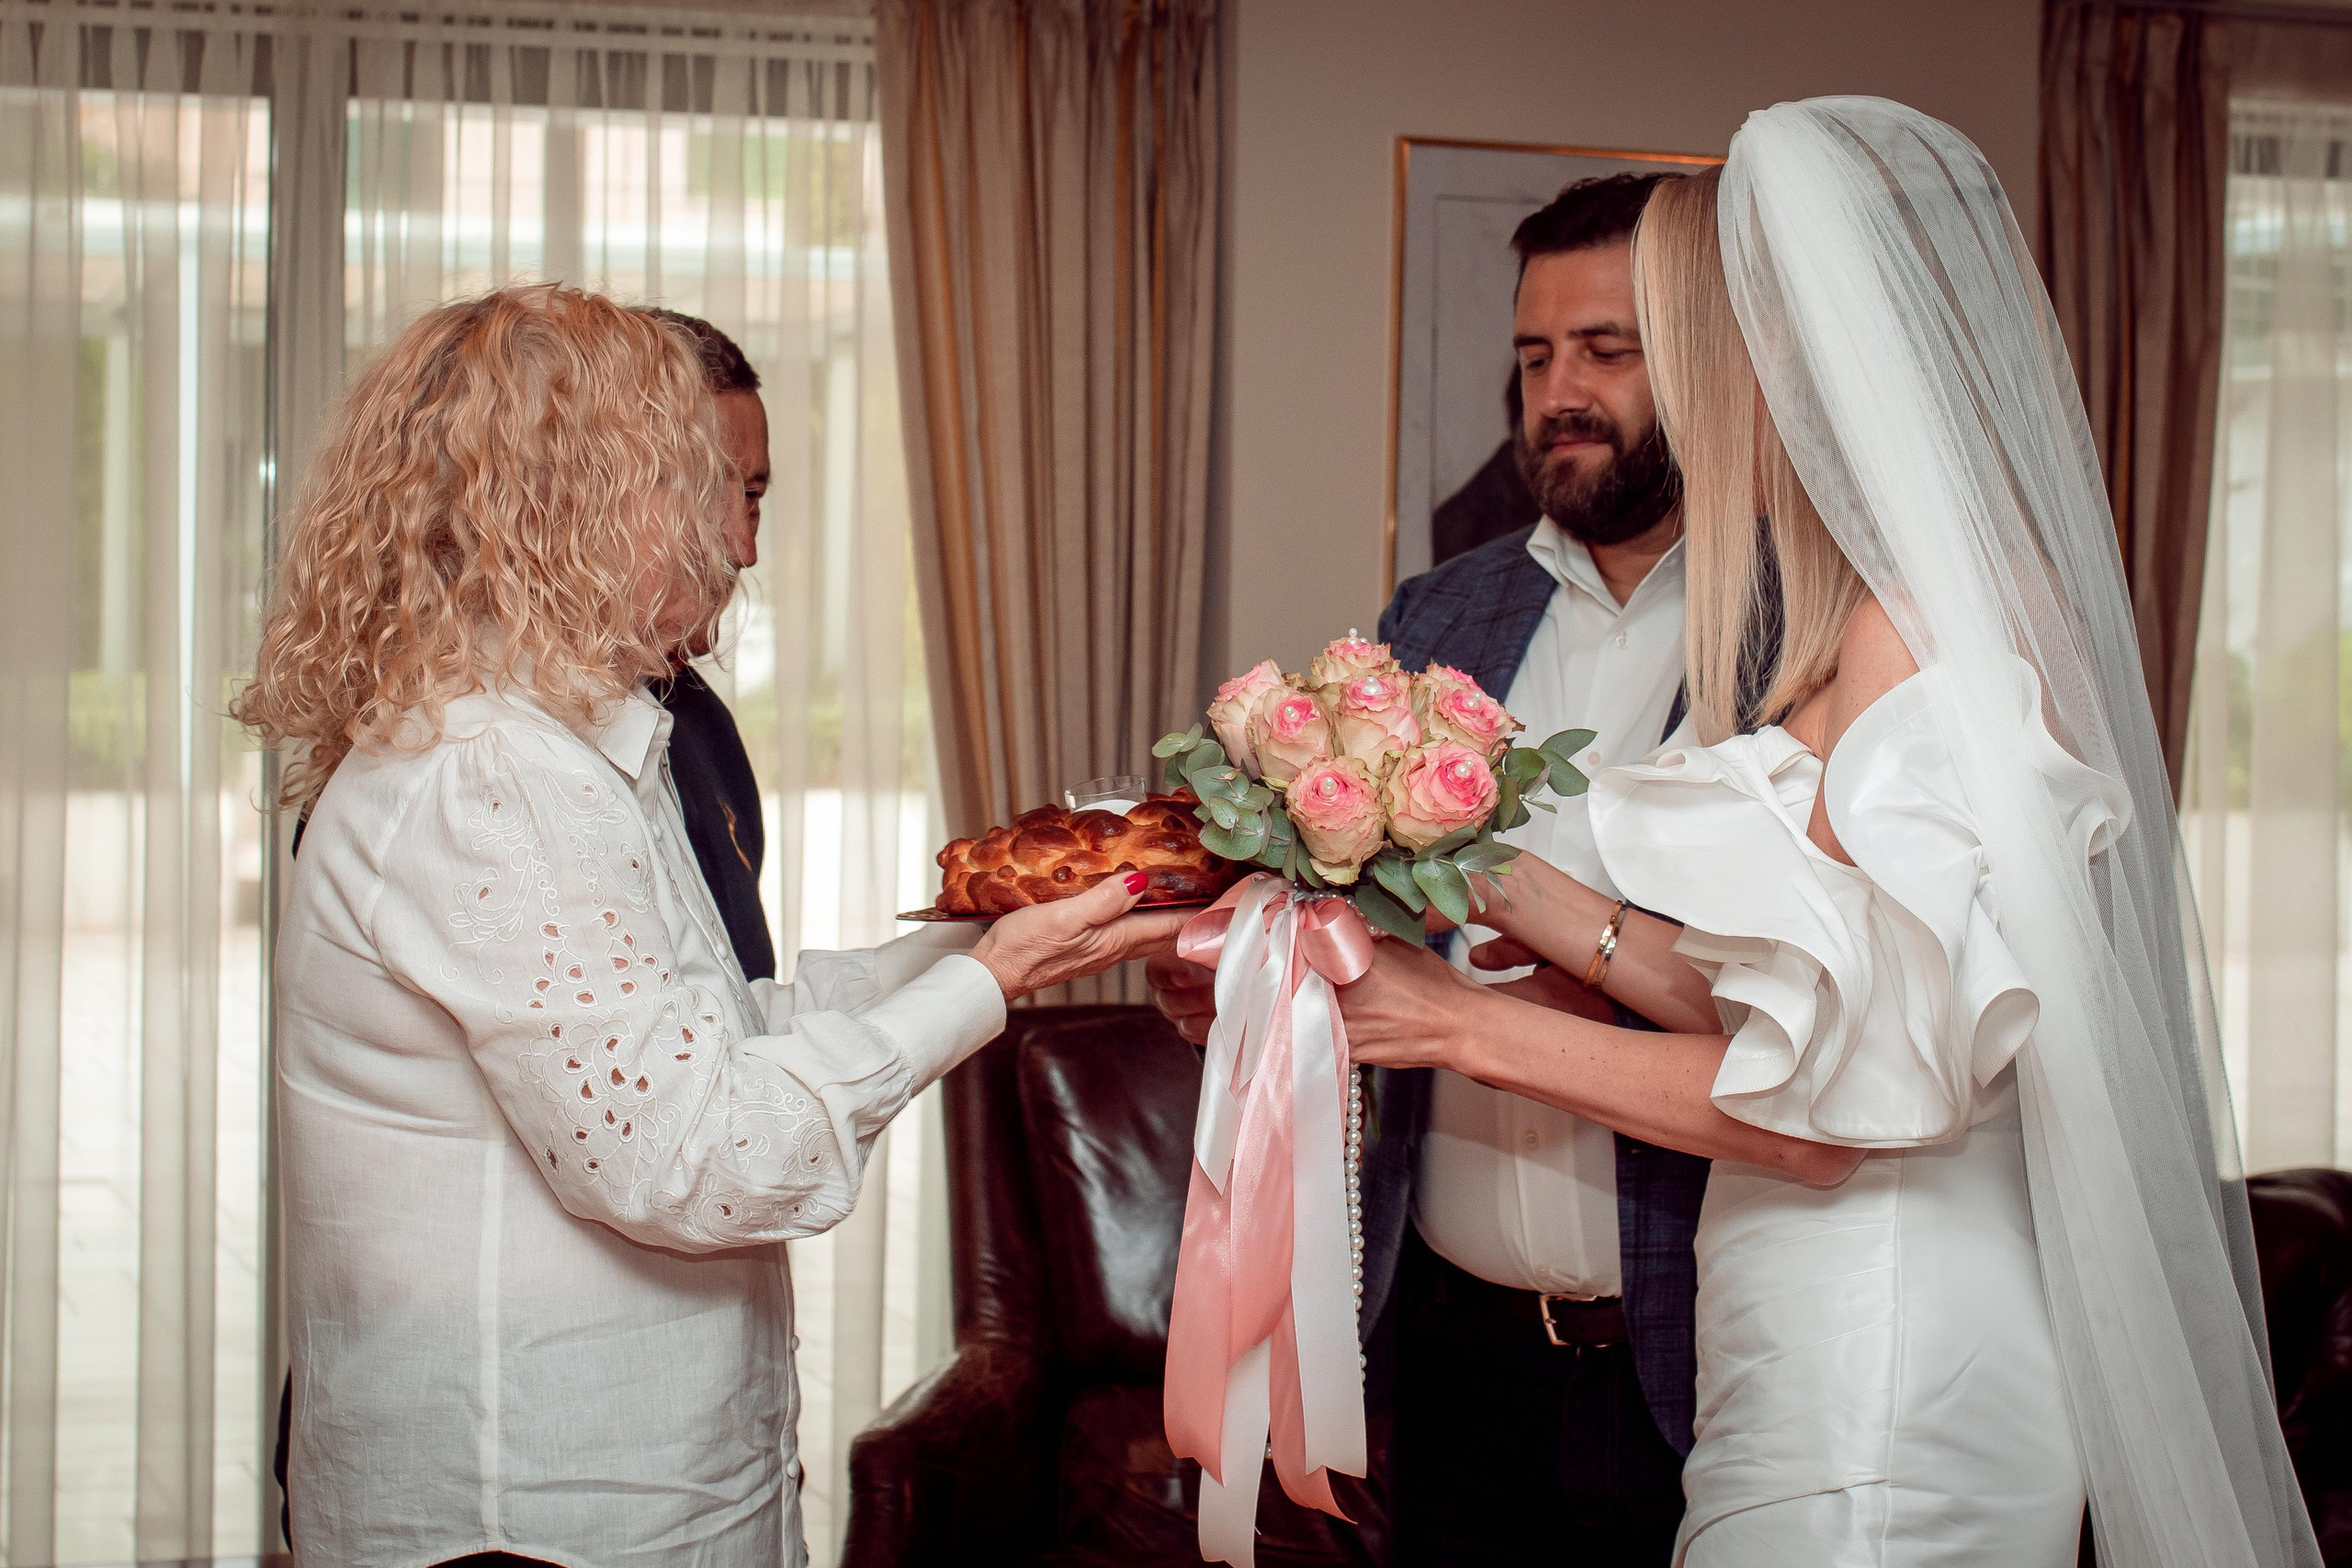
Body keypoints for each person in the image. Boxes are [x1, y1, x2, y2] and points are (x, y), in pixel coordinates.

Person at [1333, 101, 2320, 1566]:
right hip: (1794, 1342)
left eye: (1638, 344)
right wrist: (1487, 878)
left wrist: (1456, 1028)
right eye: (1541, 355)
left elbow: (1830, 1113)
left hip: (1883, 1365)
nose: (1574, 390)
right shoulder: (1876, 608)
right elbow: (1810, 1005)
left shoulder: (1915, 623)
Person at [235, 284, 1188, 1568]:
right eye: (690, 485)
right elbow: (700, 1152)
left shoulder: (570, 748)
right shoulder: (489, 778)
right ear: (566, 502)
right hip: (539, 1514)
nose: (733, 544)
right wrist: (993, 981)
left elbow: (718, 1037)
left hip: (638, 1496)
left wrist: (999, 940)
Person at [1153, 172, 1709, 1565]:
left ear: (1708, 361)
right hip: (1455, 1345)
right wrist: (1250, 989)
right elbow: (1358, 935)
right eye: (1534, 356)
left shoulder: (1795, 636)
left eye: (1606, 349)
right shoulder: (1442, 608)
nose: (1559, 391)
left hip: (1688, 1344)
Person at [636, 308, 778, 980]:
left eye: (751, 496)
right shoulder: (469, 759)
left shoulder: (700, 720)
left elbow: (746, 1007)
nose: (743, 549)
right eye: (702, 496)